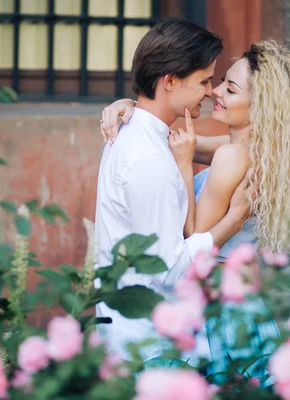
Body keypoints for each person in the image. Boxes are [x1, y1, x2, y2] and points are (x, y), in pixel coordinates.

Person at [101, 40, 290, 379]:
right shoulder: (260, 150)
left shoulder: (232, 157)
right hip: (242, 298)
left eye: (229, 89)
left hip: (222, 308)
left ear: (259, 106)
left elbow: (194, 235)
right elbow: (165, 134)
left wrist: (185, 165)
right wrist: (132, 105)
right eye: (216, 82)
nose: (214, 91)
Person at [95, 19, 252, 363]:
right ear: (170, 81)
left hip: (144, 332)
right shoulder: (150, 157)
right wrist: (231, 223)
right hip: (149, 341)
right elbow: (167, 270)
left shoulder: (142, 134)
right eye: (204, 81)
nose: (211, 92)